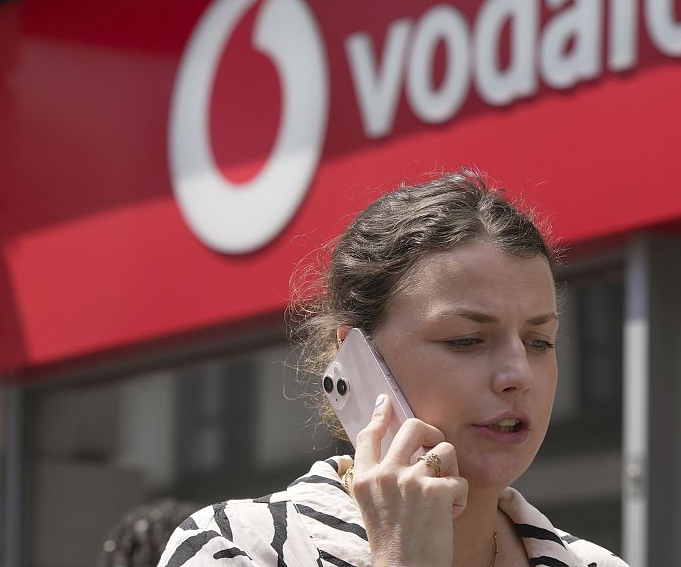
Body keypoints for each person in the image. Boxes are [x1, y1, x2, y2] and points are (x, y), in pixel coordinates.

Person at [158, 171, 627, 566]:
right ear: (358, 359)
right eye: (466, 340)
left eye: (539, 341)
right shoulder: (234, 546)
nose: (518, 373)